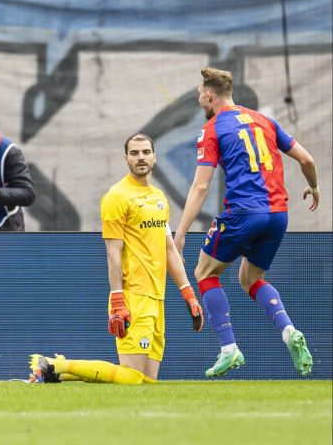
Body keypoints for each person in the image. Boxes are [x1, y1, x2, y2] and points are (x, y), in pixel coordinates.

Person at [173, 68, 318, 378]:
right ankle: (288, 330)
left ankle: (229, 348)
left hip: (243, 213)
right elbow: (307, 160)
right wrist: (315, 187)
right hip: (278, 215)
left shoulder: (213, 128)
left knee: (204, 271)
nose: (200, 99)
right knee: (250, 278)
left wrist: (181, 231)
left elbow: (200, 186)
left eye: (200, 94)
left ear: (209, 95)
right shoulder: (266, 120)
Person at [31, 134, 203, 385]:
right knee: (132, 377)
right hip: (133, 296)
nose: (141, 157)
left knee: (146, 381)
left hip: (157, 297)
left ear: (154, 156)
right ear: (126, 159)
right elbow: (112, 254)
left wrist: (188, 293)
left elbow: (169, 250)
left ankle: (56, 373)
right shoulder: (116, 196)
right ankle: (57, 364)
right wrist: (118, 299)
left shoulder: (159, 198)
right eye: (134, 153)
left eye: (145, 152)